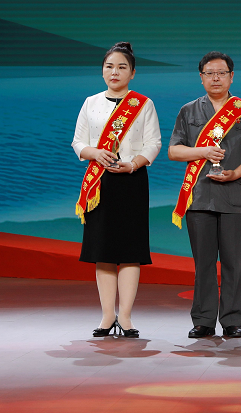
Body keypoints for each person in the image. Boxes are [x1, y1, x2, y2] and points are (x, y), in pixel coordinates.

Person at [168, 51, 241, 339]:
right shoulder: (188, 111)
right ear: (201, 78)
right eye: (209, 73)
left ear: (231, 77)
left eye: (221, 73)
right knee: (204, 263)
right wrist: (203, 151)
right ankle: (203, 320)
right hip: (199, 197)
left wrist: (235, 173)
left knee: (233, 262)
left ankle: (232, 320)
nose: (216, 78)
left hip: (235, 195)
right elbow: (174, 150)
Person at [73, 42, 161, 338]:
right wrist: (95, 153)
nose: (115, 72)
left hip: (132, 180)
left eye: (122, 67)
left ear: (132, 73)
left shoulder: (144, 104)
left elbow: (154, 143)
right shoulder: (91, 102)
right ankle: (107, 316)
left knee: (130, 251)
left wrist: (134, 164)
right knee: (104, 251)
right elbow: (78, 142)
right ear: (102, 71)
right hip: (99, 181)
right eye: (109, 66)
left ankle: (125, 317)